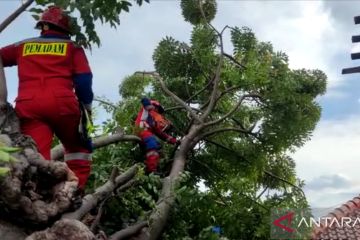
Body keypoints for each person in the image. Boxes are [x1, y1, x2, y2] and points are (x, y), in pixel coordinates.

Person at [0, 6, 93, 190]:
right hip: (63, 104)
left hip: (29, 106)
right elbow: (84, 80)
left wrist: (2, 97)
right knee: (79, 150)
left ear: (42, 26)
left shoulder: (23, 46)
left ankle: (41, 193)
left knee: (38, 158)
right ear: (66, 29)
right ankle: (76, 192)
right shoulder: (72, 47)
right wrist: (86, 108)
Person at [134, 97, 179, 173]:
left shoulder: (153, 123)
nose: (158, 112)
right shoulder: (145, 111)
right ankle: (151, 170)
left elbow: (161, 134)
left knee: (158, 149)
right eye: (157, 109)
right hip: (142, 131)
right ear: (154, 106)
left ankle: (152, 167)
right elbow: (144, 100)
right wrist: (149, 106)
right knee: (153, 144)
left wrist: (174, 141)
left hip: (145, 136)